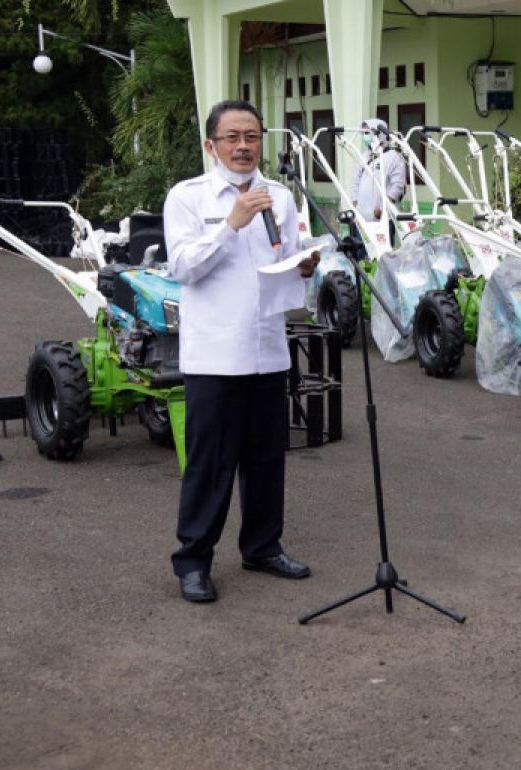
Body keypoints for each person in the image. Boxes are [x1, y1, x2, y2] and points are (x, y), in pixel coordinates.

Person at [163, 99, 320, 603]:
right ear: (211, 145)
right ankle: (193, 562)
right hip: (215, 353)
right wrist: (230, 223)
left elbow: (283, 258)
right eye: (232, 137)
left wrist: (304, 265)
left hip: (268, 347)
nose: (243, 146)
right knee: (210, 463)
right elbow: (185, 269)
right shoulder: (188, 198)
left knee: (266, 457)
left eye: (251, 135)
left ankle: (262, 546)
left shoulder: (279, 196)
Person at [351, 118, 407, 236]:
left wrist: (382, 209)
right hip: (361, 218)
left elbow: (397, 186)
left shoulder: (393, 157)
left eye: (367, 133)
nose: (364, 136)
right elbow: (356, 180)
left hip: (382, 219)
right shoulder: (365, 156)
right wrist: (355, 202)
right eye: (363, 133)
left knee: (382, 252)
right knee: (360, 252)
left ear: (380, 134)